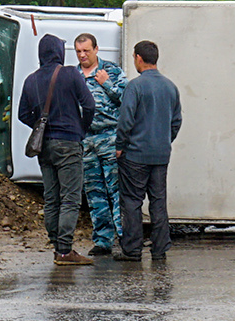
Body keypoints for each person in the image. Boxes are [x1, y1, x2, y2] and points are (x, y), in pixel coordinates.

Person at [17, 34, 95, 266]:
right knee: (70, 198)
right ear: (59, 52)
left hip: (45, 147)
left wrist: (41, 126)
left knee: (51, 199)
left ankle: (57, 247)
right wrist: (80, 129)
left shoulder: (31, 80)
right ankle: (64, 251)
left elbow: (22, 114)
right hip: (69, 143)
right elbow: (89, 105)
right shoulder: (70, 73)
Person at [116, 40, 182, 262]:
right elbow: (176, 122)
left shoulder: (135, 87)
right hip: (161, 154)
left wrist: (120, 145)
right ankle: (160, 248)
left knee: (132, 201)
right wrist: (164, 140)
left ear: (138, 58)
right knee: (158, 201)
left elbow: (125, 120)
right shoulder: (170, 87)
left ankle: (132, 250)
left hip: (135, 154)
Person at [72, 33, 124, 257]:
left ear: (96, 49)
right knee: (94, 192)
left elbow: (127, 99)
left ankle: (125, 238)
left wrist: (107, 84)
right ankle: (103, 240)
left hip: (110, 137)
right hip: (86, 140)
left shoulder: (111, 71)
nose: (83, 55)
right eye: (79, 52)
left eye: (87, 51)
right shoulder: (72, 75)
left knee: (117, 190)